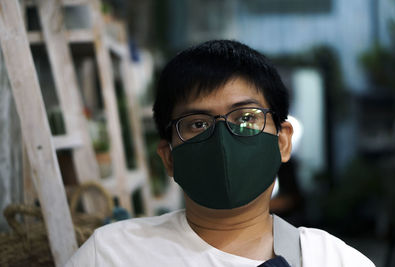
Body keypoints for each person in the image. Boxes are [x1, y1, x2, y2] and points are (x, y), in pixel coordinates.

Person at [65, 40, 375, 267]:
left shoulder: (332, 260)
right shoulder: (111, 255)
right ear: (169, 157)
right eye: (198, 124)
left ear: (282, 142)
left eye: (245, 118)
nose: (223, 140)